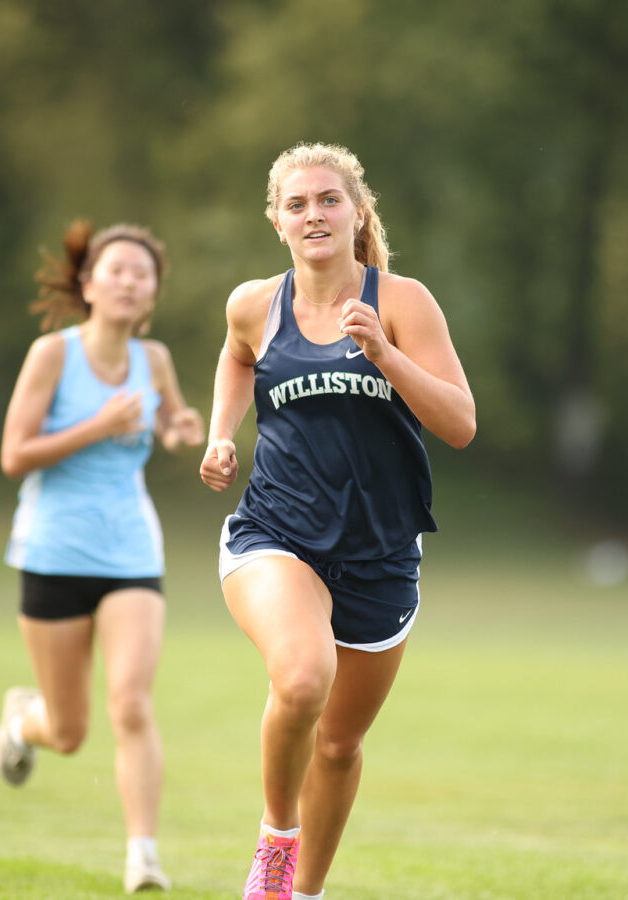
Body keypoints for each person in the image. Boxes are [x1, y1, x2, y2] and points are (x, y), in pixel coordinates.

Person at [199, 143, 476, 900]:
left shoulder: (402, 302)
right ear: (277, 222)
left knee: (341, 742)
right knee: (301, 676)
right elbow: (236, 357)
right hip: (275, 535)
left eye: (328, 200)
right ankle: (276, 843)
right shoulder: (255, 303)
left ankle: (303, 893)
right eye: (297, 204)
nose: (314, 213)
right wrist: (223, 432)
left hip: (382, 555)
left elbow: (460, 424)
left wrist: (386, 354)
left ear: (357, 213)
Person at [0, 220, 204, 894]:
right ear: (88, 284)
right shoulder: (52, 356)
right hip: (53, 552)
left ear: (151, 296)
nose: (129, 282)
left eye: (142, 275)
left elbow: (170, 421)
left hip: (130, 554)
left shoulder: (156, 360)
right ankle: (23, 721)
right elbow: (13, 455)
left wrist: (182, 428)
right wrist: (97, 427)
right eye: (116, 270)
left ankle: (143, 855)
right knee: (70, 730)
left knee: (132, 704)